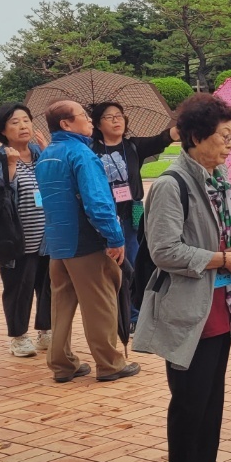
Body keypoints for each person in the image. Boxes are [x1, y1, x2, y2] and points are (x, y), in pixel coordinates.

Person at [135, 94, 231, 462]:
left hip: (220, 304)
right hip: (189, 310)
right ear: (197, 136)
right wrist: (223, 259)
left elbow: (225, 237)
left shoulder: (218, 180)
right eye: (224, 136)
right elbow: (164, 250)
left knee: (210, 398)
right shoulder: (172, 185)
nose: (230, 144)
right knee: (189, 401)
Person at [34, 100, 139, 384]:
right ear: (66, 123)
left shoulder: (47, 154)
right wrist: (115, 237)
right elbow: (97, 202)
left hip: (57, 242)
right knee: (100, 302)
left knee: (61, 305)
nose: (90, 120)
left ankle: (62, 364)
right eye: (83, 116)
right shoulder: (81, 153)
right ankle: (109, 363)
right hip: (85, 242)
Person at [89, 101, 178, 326]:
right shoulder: (90, 150)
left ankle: (134, 315)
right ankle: (113, 313)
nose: (116, 120)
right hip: (104, 216)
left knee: (134, 263)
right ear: (98, 124)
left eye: (119, 115)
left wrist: (183, 126)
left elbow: (162, 139)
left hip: (132, 212)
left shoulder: (133, 146)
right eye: (109, 117)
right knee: (106, 267)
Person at [0, 103, 50, 358]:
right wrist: (9, 169)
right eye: (15, 122)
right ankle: (19, 337)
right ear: (3, 130)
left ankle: (46, 331)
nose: (23, 126)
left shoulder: (39, 153)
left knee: (48, 287)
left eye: (26, 120)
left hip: (47, 238)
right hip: (16, 239)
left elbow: (56, 184)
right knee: (18, 289)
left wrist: (48, 154)